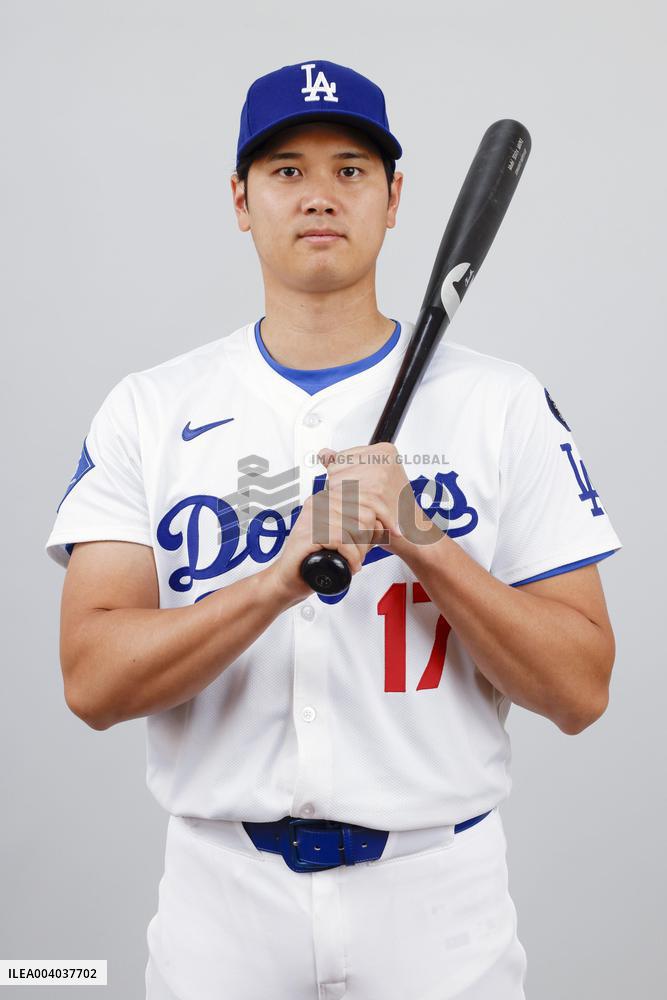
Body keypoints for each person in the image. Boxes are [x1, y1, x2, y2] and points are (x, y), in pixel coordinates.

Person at [45, 59, 622, 999]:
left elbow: (579, 689)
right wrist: (275, 581)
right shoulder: (149, 409)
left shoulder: (500, 405)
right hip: (219, 901)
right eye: (286, 171)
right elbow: (92, 681)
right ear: (240, 199)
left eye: (351, 169)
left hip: (437, 898)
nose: (320, 194)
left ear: (395, 199)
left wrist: (421, 542)